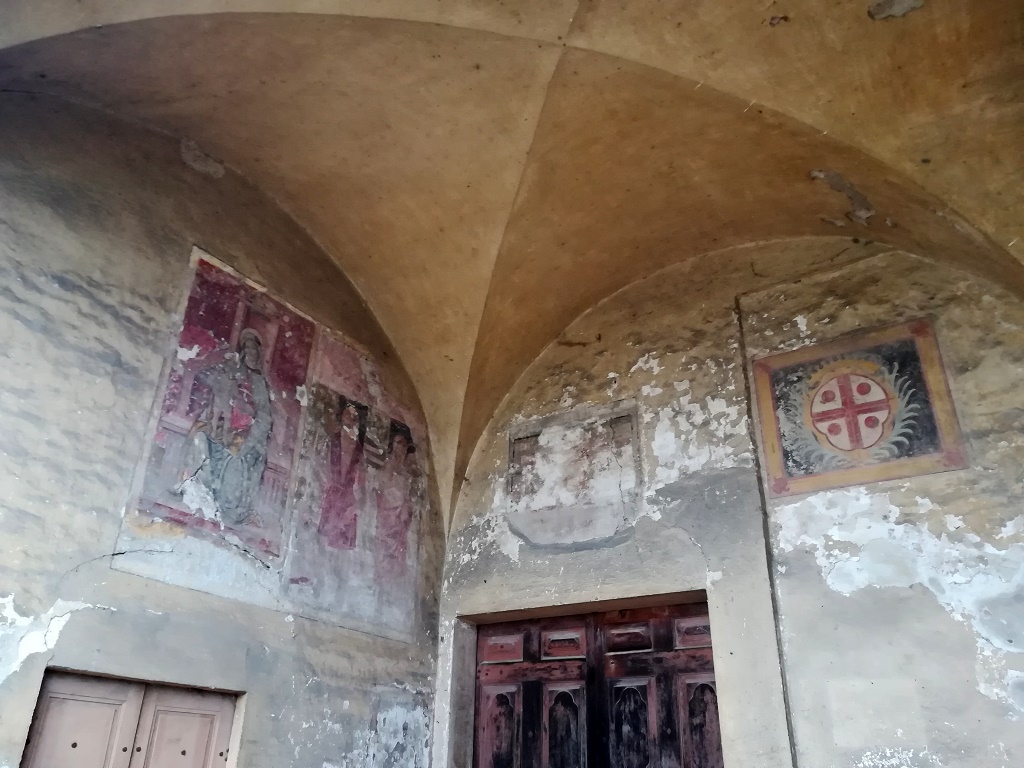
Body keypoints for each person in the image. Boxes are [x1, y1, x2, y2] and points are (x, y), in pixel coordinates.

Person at [181, 328, 273, 526]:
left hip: (248, 436)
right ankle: (190, 488)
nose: (249, 353)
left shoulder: (259, 382)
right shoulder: (233, 372)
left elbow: (265, 417)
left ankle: (229, 509)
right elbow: (218, 399)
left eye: (253, 349)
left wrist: (250, 438)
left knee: (235, 454)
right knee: (199, 434)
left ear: (258, 354)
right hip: (225, 426)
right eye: (246, 348)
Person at [317, 396, 367, 549]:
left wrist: (354, 507)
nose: (351, 417)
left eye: (354, 415)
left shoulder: (359, 449)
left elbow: (362, 486)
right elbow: (320, 465)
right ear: (342, 415)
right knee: (324, 543)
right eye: (348, 413)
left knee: (342, 546)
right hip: (331, 496)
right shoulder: (333, 440)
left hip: (348, 501)